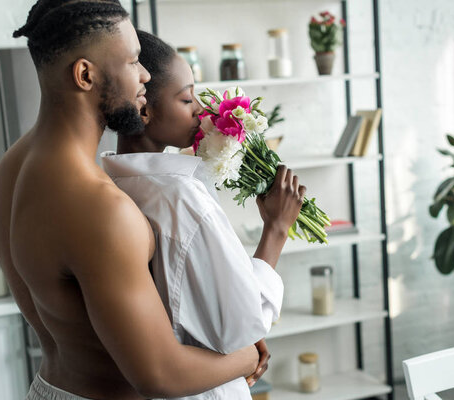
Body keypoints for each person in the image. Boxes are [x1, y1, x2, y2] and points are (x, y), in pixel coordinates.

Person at [0, 1, 266, 399]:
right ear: (85, 75)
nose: (145, 75)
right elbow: (160, 376)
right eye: (134, 62)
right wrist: (247, 357)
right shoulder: (97, 206)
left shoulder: (11, 169)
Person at [101, 31, 306, 399]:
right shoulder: (180, 198)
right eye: (185, 98)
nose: (200, 109)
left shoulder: (110, 183)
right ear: (144, 108)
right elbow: (242, 327)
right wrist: (276, 229)